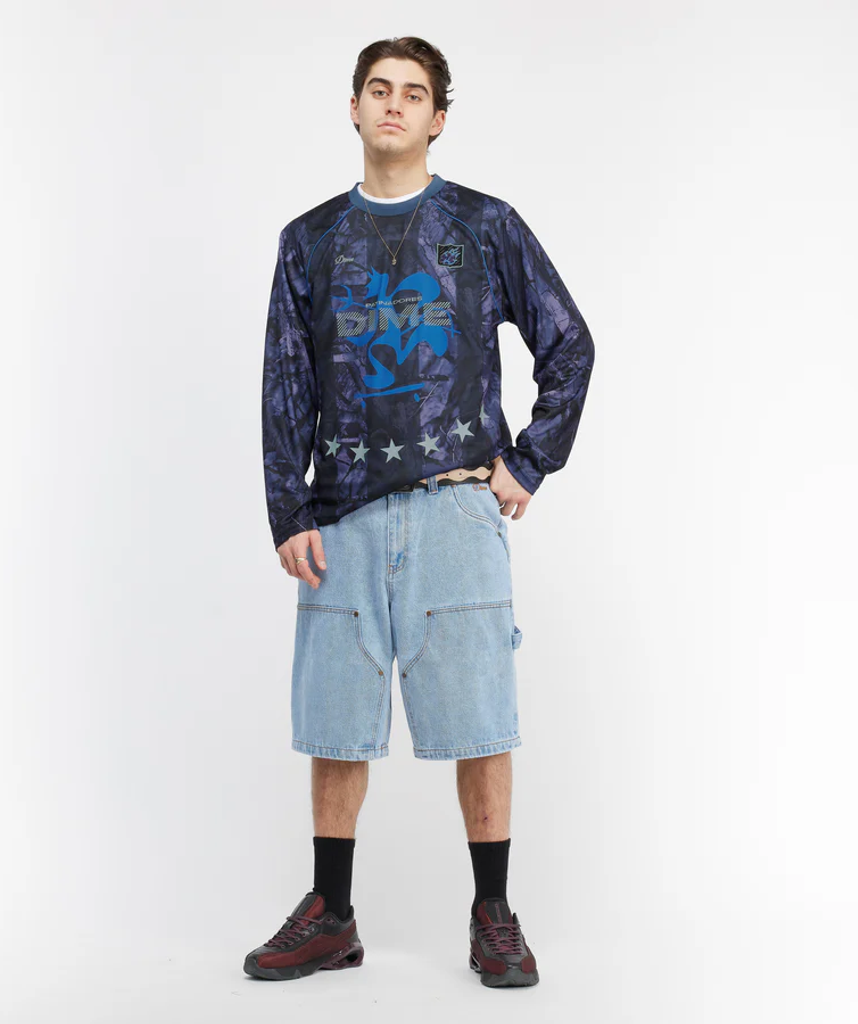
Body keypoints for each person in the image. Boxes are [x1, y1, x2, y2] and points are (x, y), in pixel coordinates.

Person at [243, 35, 594, 988]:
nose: (393, 104)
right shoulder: (310, 241)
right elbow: (285, 382)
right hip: (342, 514)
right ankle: (332, 914)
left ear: (438, 118)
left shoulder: (484, 225)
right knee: (335, 720)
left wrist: (531, 460)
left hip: (456, 507)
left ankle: (493, 914)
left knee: (481, 719)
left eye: (412, 93)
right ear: (354, 107)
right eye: (378, 89)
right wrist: (288, 510)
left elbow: (569, 343)